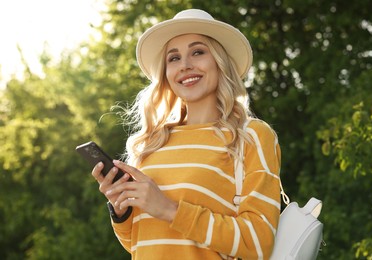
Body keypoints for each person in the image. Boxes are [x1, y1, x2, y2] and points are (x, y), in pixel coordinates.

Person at [92, 9, 281, 260]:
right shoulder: (151, 143)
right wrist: (122, 211)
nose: (185, 65)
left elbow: (259, 243)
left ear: (219, 61)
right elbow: (140, 243)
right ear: (166, 74)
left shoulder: (252, 136)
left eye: (198, 52)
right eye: (173, 58)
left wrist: (170, 210)